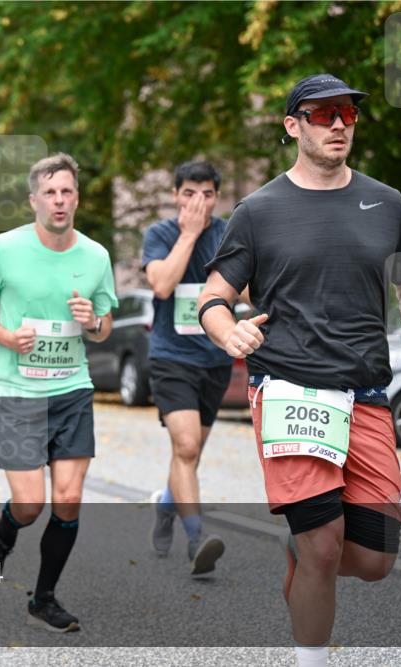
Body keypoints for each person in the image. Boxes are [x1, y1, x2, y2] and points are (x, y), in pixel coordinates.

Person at [198, 74, 401, 667]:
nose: (338, 124)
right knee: (325, 549)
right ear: (293, 125)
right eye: (323, 113)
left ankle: (304, 547)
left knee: (376, 562)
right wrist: (230, 331)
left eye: (348, 115)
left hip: (368, 395)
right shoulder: (259, 210)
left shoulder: (386, 201)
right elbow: (214, 295)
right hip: (289, 389)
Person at [0, 153, 117, 632]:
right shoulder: (3, 249)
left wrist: (92, 321)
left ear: (77, 197)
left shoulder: (95, 256)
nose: (59, 200)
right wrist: (7, 338)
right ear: (34, 199)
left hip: (72, 390)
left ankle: (44, 598)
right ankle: (3, 535)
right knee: (30, 504)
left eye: (67, 191)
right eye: (50, 192)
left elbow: (104, 327)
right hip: (17, 391)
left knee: (69, 499)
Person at [142, 160, 237, 575]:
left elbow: (249, 286)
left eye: (207, 194)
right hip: (171, 358)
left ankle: (167, 507)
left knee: (190, 453)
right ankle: (197, 538)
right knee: (185, 447)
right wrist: (190, 233)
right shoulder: (160, 234)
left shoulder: (229, 233)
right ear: (176, 194)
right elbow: (162, 284)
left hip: (215, 359)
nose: (199, 202)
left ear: (217, 197)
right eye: (189, 193)